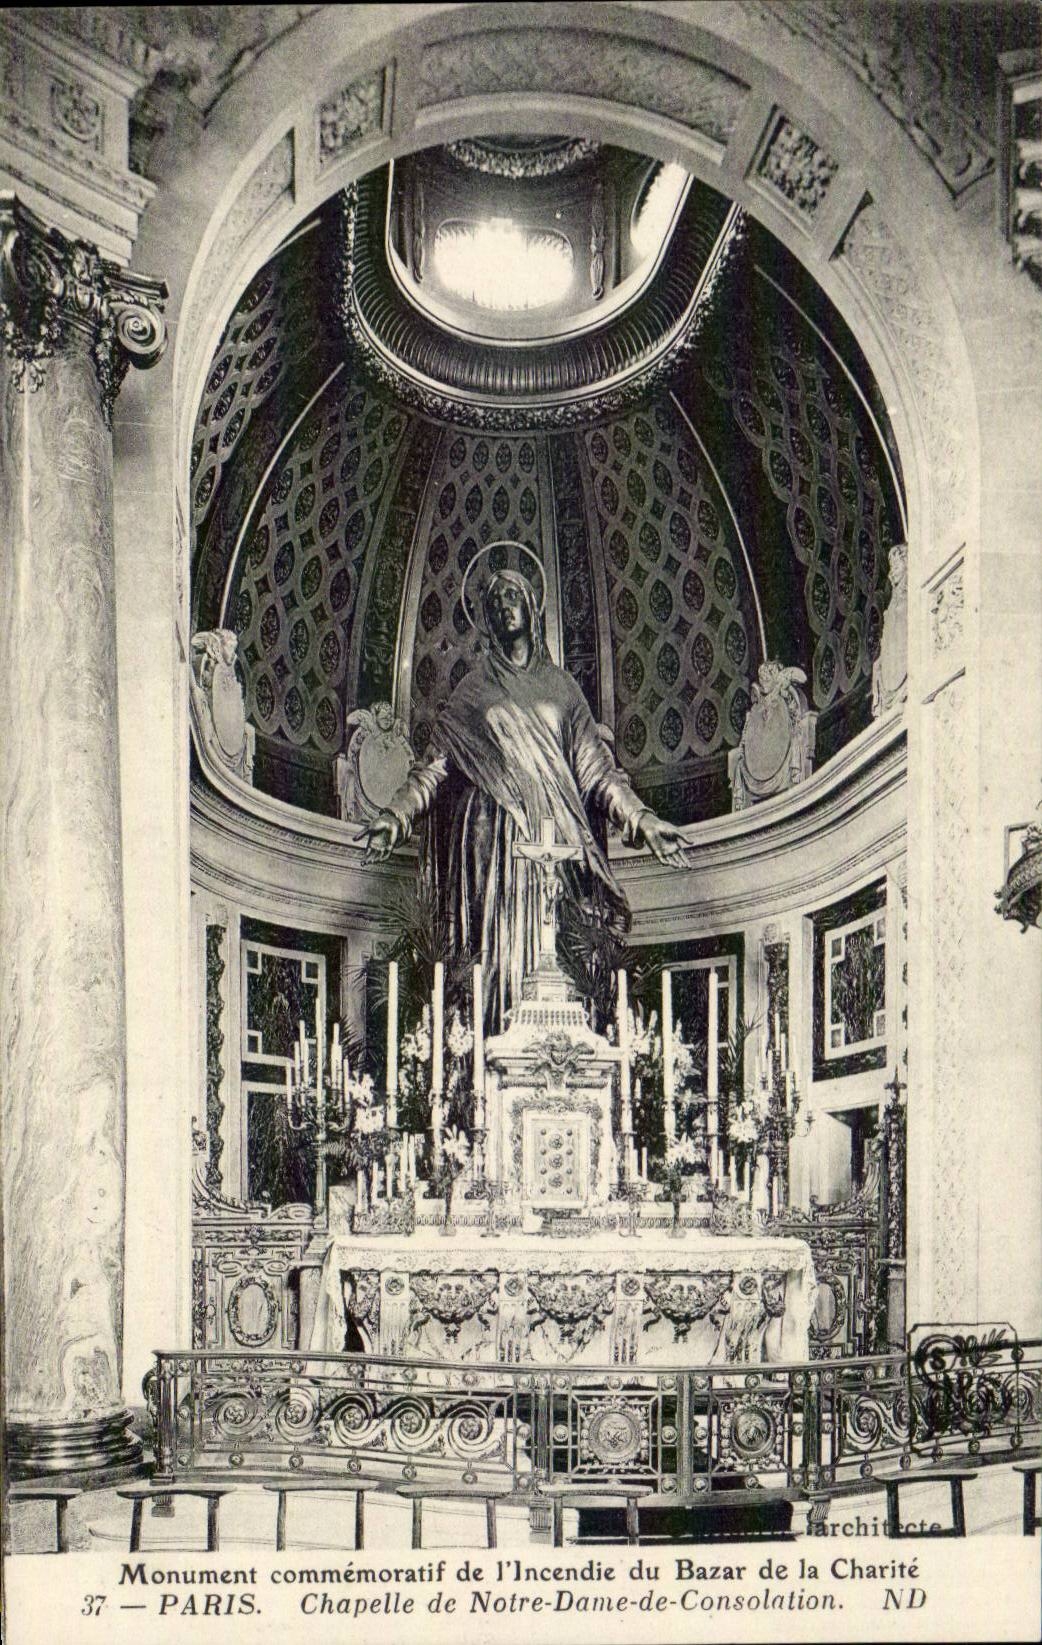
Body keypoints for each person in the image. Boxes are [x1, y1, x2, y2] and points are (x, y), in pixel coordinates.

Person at [362, 566, 688, 1028]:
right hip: (493, 846)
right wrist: (395, 816)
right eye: (493, 602)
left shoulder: (563, 689)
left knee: (558, 950)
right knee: (501, 951)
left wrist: (643, 821)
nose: (503, 606)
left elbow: (597, 771)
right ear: (486, 622)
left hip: (558, 844)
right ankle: (493, 1039)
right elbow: (434, 768)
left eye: (512, 595)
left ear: (533, 608)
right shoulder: (472, 691)